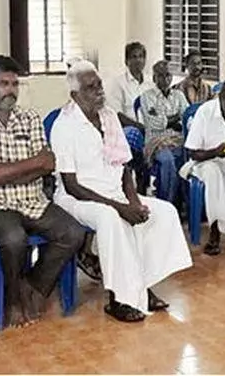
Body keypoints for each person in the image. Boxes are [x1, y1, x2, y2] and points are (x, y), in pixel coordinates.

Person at [51, 60, 192, 323]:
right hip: (77, 198)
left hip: (114, 192)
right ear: (75, 95)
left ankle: (142, 285)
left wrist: (134, 201)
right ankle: (118, 298)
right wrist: (121, 208)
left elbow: (124, 165)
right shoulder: (64, 125)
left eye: (99, 85)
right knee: (111, 219)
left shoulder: (109, 117)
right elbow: (71, 185)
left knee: (163, 212)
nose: (99, 91)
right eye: (91, 87)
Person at [0, 55, 87, 328]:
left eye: (14, 84)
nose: (10, 90)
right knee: (14, 238)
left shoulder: (30, 118)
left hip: (32, 200)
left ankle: (32, 285)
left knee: (74, 233)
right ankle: (13, 300)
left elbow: (48, 164)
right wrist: (30, 165)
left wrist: (4, 173)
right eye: (3, 83)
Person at [182, 79, 225, 256]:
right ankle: (214, 231)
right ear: (220, 99)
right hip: (204, 161)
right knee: (214, 174)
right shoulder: (205, 112)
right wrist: (216, 152)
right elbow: (193, 153)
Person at [139, 60, 189, 206]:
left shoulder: (179, 95)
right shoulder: (147, 97)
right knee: (167, 161)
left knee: (190, 157)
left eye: (168, 75)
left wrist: (167, 120)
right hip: (156, 142)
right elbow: (154, 123)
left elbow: (187, 118)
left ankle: (184, 202)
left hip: (177, 140)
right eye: (160, 75)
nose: (165, 79)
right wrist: (175, 118)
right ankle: (167, 205)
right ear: (154, 78)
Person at [107, 42, 153, 194]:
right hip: (127, 129)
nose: (138, 60)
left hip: (151, 129)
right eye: (134, 57)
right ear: (126, 61)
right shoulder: (118, 83)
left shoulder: (150, 83)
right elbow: (116, 114)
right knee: (132, 136)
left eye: (141, 56)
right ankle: (137, 178)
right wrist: (139, 126)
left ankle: (144, 179)